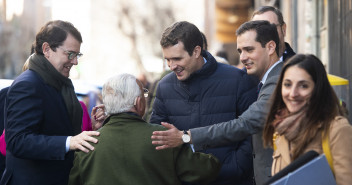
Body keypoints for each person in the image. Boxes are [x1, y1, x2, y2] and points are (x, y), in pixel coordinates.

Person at [151, 20, 281, 185]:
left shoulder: (240, 79)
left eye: (177, 58)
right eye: (167, 60)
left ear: (197, 51)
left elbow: (247, 127)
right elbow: (157, 136)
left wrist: (234, 167)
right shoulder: (164, 86)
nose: (171, 66)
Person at [68, 73, 221, 185]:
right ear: (138, 102)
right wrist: (186, 138)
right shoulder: (163, 137)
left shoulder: (87, 143)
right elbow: (207, 169)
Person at [1, 20, 100, 185]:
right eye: (70, 54)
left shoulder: (59, 83)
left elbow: (58, 127)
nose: (75, 61)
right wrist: (69, 142)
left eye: (77, 55)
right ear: (47, 49)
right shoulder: (28, 84)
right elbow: (18, 141)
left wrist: (94, 127)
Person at [263, 54, 352, 185]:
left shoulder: (337, 130)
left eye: (303, 86)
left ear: (318, 89)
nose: (293, 94)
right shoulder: (281, 130)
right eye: (287, 85)